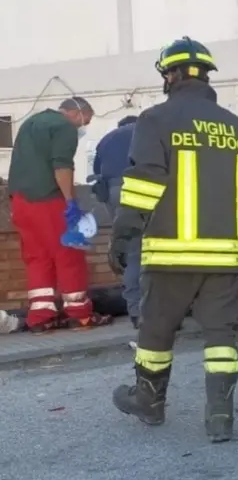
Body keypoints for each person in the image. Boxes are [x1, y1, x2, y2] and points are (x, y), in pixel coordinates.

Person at [108, 37, 238, 443]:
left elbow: (145, 179)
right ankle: (220, 417)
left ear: (171, 75)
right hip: (227, 257)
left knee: (157, 330)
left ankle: (149, 402)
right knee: (220, 335)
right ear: (206, 75)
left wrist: (124, 233)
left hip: (171, 254)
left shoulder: (156, 120)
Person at [7, 97, 113, 331]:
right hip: (49, 199)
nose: (83, 126)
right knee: (69, 254)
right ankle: (79, 314)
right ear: (77, 113)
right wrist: (71, 202)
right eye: (86, 120)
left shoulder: (31, 123)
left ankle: (41, 317)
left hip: (21, 201)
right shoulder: (64, 127)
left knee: (38, 257)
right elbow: (62, 167)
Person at [93, 115, 142, 327]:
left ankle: (136, 311)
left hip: (115, 192)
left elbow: (97, 172)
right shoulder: (147, 133)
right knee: (153, 250)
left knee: (132, 250)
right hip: (144, 189)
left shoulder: (107, 138)